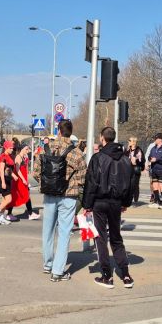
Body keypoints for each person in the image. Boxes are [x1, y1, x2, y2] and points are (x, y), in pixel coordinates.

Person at [34, 119, 87, 282]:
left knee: (48, 231)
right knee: (64, 233)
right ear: (71, 132)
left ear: (58, 130)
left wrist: (47, 183)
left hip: (50, 195)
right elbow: (83, 177)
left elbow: (36, 172)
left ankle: (48, 264)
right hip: (68, 197)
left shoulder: (46, 148)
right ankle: (57, 271)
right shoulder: (77, 152)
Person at [82, 127, 136, 289]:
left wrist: (87, 205)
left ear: (102, 138)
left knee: (100, 238)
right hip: (116, 202)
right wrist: (126, 202)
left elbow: (91, 182)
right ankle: (126, 275)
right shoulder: (125, 159)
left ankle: (107, 275)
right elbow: (131, 182)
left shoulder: (98, 158)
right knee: (116, 237)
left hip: (100, 201)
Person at [0, 141, 19, 225]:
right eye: (10, 148)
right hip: (3, 180)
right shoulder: (3, 156)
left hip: (8, 179)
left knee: (4, 200)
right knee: (9, 199)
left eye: (12, 148)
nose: (12, 149)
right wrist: (3, 182)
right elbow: (1, 170)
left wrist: (13, 176)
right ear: (6, 148)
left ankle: (1, 217)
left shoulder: (9, 156)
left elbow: (8, 169)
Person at [146, 133, 162, 208]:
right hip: (154, 169)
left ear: (160, 139)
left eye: (155, 138)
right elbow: (149, 156)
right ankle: (156, 201)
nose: (154, 140)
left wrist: (156, 159)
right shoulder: (153, 148)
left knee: (161, 185)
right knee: (155, 185)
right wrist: (150, 159)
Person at [125, 137, 145, 205]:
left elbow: (142, 160)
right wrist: (127, 150)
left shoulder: (138, 150)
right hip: (128, 169)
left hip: (135, 169)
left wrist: (136, 160)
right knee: (128, 184)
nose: (128, 142)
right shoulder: (128, 150)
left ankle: (136, 199)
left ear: (133, 142)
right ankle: (129, 199)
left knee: (135, 184)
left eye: (129, 140)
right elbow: (124, 157)